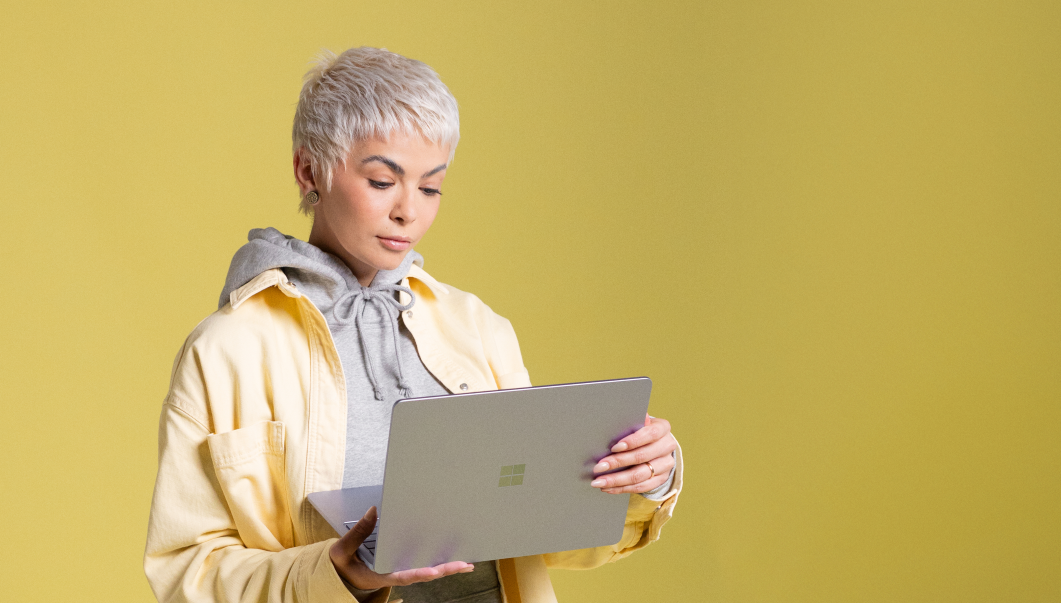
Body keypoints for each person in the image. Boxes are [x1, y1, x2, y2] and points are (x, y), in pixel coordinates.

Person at [144, 47, 683, 603]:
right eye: (383, 181)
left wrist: (641, 480)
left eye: (430, 187)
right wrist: (338, 575)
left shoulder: (476, 327)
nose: (409, 211)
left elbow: (542, 533)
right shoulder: (227, 350)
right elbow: (187, 575)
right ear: (310, 171)